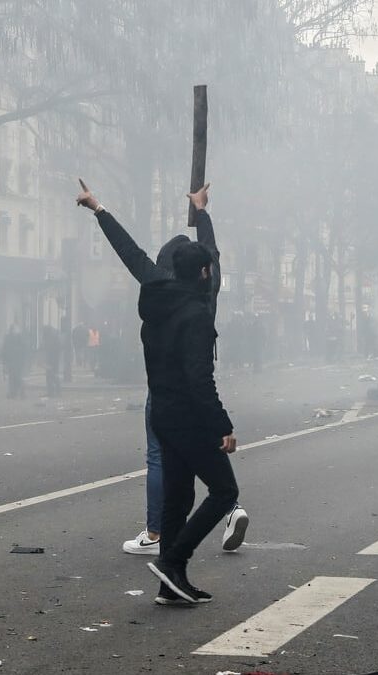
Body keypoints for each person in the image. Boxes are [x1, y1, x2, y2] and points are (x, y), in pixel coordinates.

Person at [76, 179, 248, 558]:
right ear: (200, 269)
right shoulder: (208, 288)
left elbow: (129, 252)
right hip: (198, 395)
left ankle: (158, 538)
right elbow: (213, 253)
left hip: (165, 396)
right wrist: (201, 211)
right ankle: (210, 526)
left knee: (166, 467)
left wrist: (99, 209)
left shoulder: (156, 285)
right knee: (212, 470)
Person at [138, 241, 238, 604]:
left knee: (178, 498)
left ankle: (171, 585)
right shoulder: (195, 314)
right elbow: (199, 378)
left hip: (162, 412)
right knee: (225, 491)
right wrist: (222, 425)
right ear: (204, 273)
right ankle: (173, 561)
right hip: (189, 417)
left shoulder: (157, 309)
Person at [2, 324, 28, 399]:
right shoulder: (8, 338)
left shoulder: (20, 338)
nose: (17, 330)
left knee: (17, 377)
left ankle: (20, 393)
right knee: (12, 377)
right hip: (11, 360)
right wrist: (5, 360)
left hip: (18, 361)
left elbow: (24, 349)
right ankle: (14, 393)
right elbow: (5, 349)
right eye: (16, 329)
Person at [42, 325, 62, 397]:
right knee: (51, 375)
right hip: (52, 359)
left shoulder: (52, 339)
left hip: (52, 359)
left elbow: (51, 349)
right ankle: (54, 391)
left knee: (51, 375)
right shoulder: (54, 337)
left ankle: (54, 391)